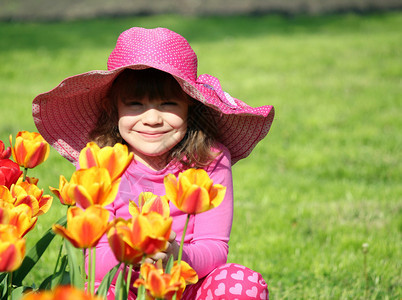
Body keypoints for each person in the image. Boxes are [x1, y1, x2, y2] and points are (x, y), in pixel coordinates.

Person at [33, 27, 274, 299]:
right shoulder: (99, 162)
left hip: (188, 285)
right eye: (135, 104)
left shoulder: (210, 158)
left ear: (190, 106)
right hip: (122, 286)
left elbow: (215, 247)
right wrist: (133, 253)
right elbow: (92, 258)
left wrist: (175, 255)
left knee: (240, 283)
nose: (152, 119)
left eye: (168, 104)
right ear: (113, 108)